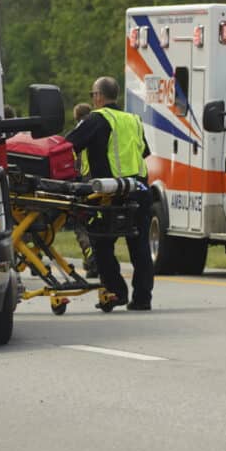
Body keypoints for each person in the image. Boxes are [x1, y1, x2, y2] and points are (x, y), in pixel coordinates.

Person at [66, 76, 155, 311]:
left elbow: (69, 144)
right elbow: (144, 152)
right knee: (140, 246)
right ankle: (143, 298)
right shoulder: (133, 120)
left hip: (110, 193)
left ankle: (116, 292)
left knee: (101, 243)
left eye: (92, 94)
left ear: (98, 96)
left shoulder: (98, 119)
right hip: (139, 188)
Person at [70, 102, 97, 279]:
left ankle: (91, 259)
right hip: (101, 181)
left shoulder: (79, 133)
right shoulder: (98, 127)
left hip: (84, 183)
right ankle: (95, 259)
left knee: (80, 224)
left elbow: (73, 159)